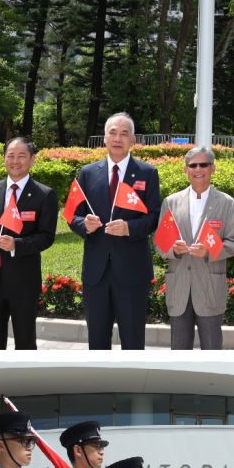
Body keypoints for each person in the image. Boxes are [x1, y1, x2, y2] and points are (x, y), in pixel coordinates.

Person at [66, 111, 162, 350]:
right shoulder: (88, 173)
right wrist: (83, 225)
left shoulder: (147, 173)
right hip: (96, 271)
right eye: (113, 133)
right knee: (97, 339)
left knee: (132, 339)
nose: (118, 138)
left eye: (124, 133)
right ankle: (99, 384)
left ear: (133, 140)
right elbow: (72, 215)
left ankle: (132, 385)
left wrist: (129, 227)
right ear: (105, 138)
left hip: (132, 270)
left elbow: (154, 217)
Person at [0, 136, 59, 350]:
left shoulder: (44, 195)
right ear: (4, 158)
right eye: (10, 156)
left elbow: (46, 236)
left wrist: (17, 245)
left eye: (21, 156)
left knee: (25, 343)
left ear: (32, 159)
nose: (15, 161)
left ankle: (23, 383)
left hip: (23, 281)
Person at [157, 145, 234, 350]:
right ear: (186, 170)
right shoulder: (171, 202)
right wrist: (173, 250)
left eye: (204, 164)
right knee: (179, 350)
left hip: (210, 287)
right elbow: (160, 243)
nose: (198, 169)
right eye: (192, 165)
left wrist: (210, 251)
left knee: (211, 348)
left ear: (213, 168)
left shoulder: (226, 203)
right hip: (179, 287)